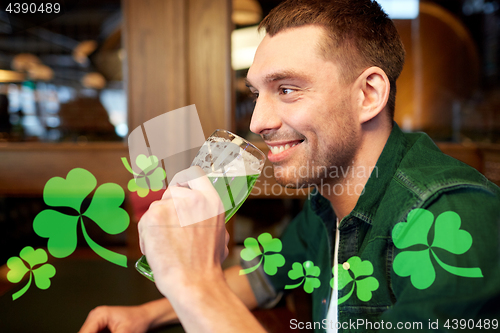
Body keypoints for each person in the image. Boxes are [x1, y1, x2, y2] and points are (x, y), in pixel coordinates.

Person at [79, 0, 500, 332]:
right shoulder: (328, 196)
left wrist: (195, 283)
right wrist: (149, 314)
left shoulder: (453, 218)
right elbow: (264, 277)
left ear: (368, 95)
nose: (257, 122)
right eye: (257, 93)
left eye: (287, 88)